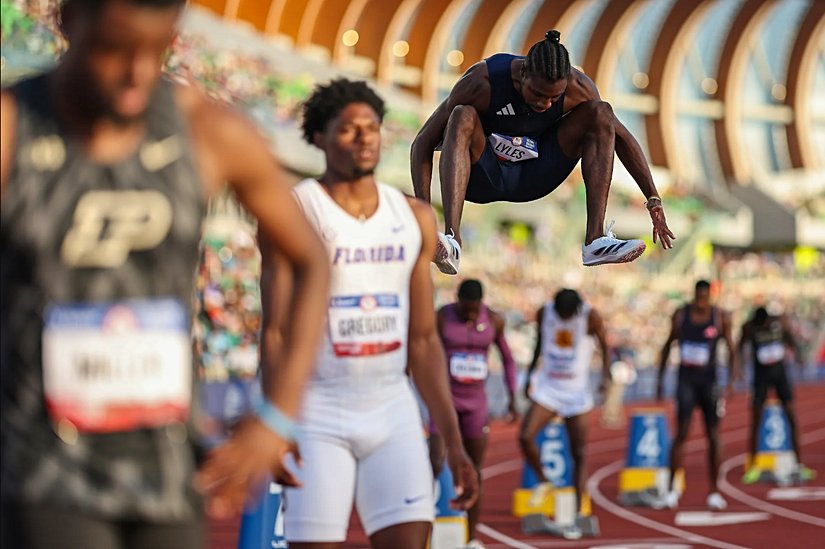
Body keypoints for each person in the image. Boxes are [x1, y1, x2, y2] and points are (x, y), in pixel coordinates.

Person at [0, 0, 331, 547]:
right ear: (69, 24)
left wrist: (279, 413)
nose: (136, 76)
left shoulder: (205, 129)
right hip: (41, 465)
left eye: (156, 51)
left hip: (168, 468)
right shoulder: (14, 128)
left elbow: (310, 258)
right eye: (113, 52)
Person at [261, 78, 478, 548]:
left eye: (372, 127)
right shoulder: (293, 211)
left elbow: (422, 341)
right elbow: (276, 331)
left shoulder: (413, 218)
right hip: (318, 411)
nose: (364, 138)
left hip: (391, 410)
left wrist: (455, 443)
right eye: (348, 129)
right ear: (318, 137)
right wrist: (277, 422)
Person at [410, 30, 675, 275]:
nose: (544, 103)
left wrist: (653, 198)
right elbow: (422, 142)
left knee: (601, 112)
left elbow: (622, 138)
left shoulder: (579, 88)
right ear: (523, 72)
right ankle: (452, 240)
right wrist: (424, 214)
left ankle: (594, 240)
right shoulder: (483, 81)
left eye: (553, 98)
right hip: (483, 175)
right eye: (537, 94)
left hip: (535, 176)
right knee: (462, 115)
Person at [428, 278, 518, 547]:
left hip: (476, 405)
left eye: (473, 309)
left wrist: (513, 397)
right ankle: (425, 533)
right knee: (433, 463)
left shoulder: (494, 320)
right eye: (465, 309)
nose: (469, 314)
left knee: (475, 471)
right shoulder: (442, 317)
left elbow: (508, 360)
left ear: (480, 303)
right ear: (458, 300)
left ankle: (471, 538)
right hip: (445, 402)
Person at [519, 289, 610, 539]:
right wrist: (529, 375)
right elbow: (539, 342)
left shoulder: (590, 316)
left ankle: (579, 510)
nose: (566, 317)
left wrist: (605, 376)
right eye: (563, 314)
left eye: (570, 314)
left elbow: (605, 345)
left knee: (579, 452)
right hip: (549, 389)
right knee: (525, 436)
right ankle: (544, 480)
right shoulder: (545, 312)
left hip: (577, 392)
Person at [656, 280, 736, 510]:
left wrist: (731, 381)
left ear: (710, 297)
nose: (701, 303)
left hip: (709, 382)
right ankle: (672, 489)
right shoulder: (681, 316)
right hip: (686, 381)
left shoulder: (720, 317)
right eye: (698, 298)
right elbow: (667, 344)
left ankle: (714, 491)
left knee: (713, 435)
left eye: (705, 298)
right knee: (681, 433)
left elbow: (731, 349)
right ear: (694, 296)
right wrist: (660, 380)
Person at [737, 307, 815, 483]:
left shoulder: (778, 324)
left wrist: (799, 358)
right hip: (761, 378)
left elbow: (790, 340)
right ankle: (754, 465)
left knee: (792, 416)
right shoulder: (750, 327)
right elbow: (740, 347)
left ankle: (798, 465)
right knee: (755, 420)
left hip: (780, 376)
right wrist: (739, 368)